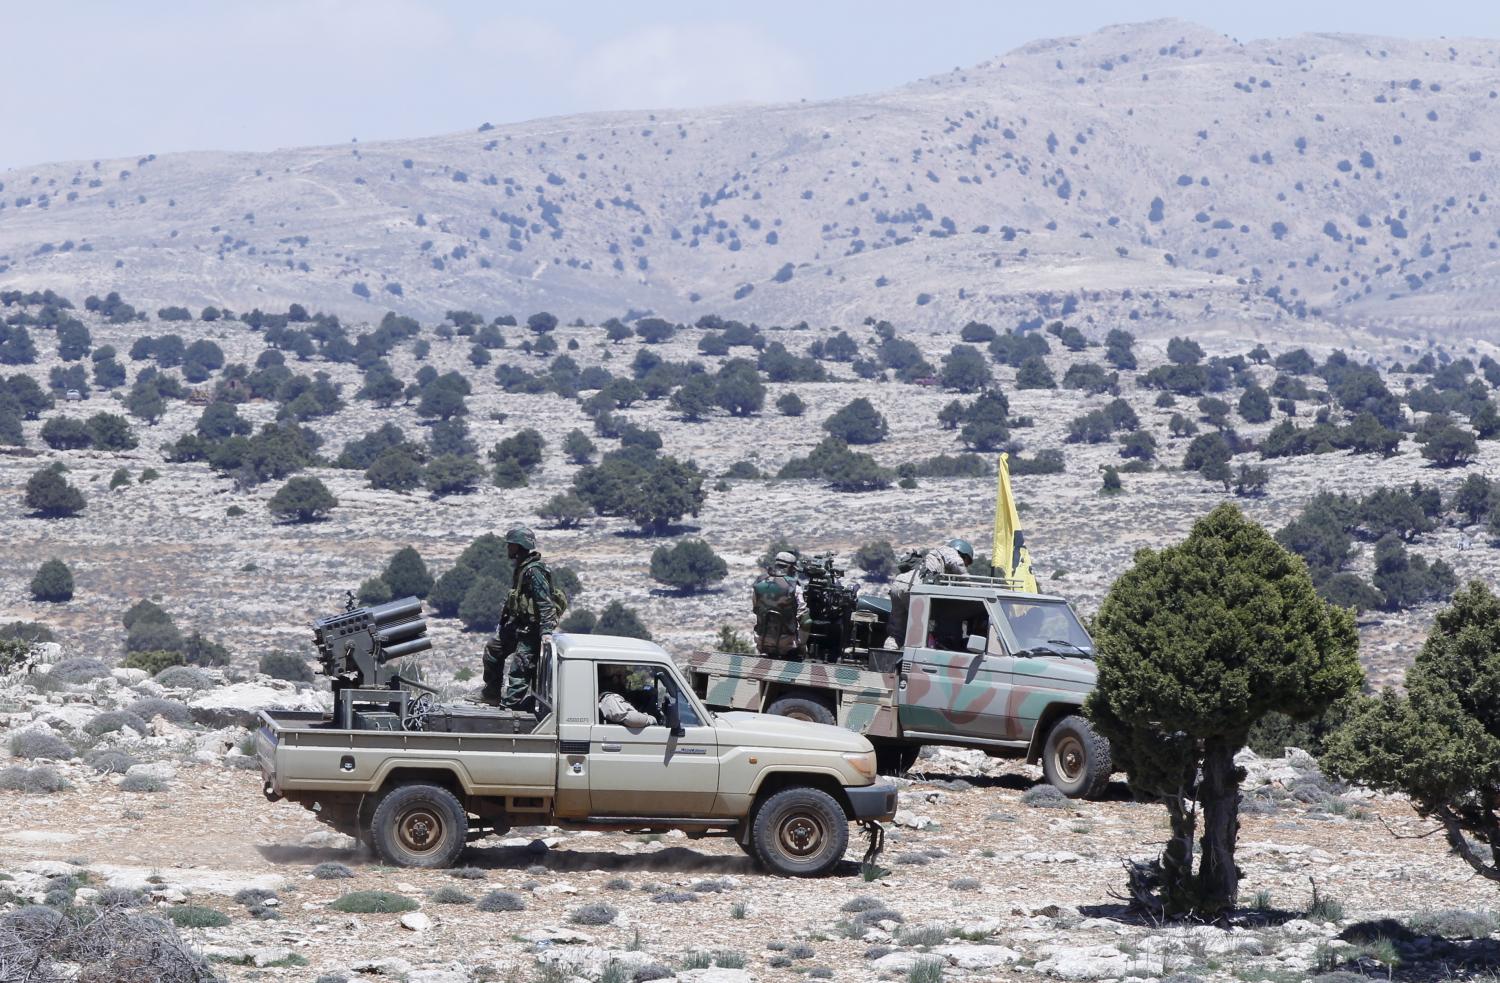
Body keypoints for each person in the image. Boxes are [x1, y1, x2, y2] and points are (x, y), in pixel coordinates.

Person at [481, 526, 557, 708]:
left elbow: (545, 602)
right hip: (517, 625)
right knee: (493, 649)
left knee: (520, 668)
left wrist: (546, 631)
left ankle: (509, 707)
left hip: (530, 630)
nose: (508, 549)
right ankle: (492, 694)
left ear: (519, 546)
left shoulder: (534, 571)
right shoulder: (522, 568)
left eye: (511, 545)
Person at [885, 538, 974, 648]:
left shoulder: (935, 555)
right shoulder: (950, 552)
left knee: (896, 631)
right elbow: (958, 566)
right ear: (962, 554)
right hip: (914, 589)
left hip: (898, 585)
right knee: (923, 630)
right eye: (967, 562)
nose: (967, 566)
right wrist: (971, 586)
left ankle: (887, 656)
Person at [752, 551, 808, 657]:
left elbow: (755, 608)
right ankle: (800, 651)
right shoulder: (794, 587)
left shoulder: (759, 582)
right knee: (807, 619)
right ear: (791, 568)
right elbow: (803, 616)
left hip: (761, 640)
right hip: (787, 643)